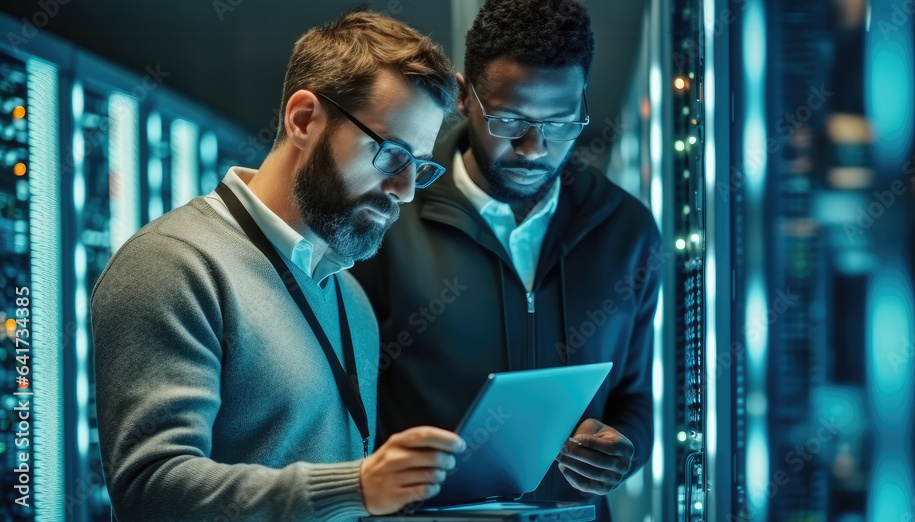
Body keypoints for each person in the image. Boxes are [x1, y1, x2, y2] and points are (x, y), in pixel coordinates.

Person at [91, 10, 466, 521]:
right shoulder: (173, 263)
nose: (403, 191)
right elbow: (152, 489)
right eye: (391, 154)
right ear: (304, 119)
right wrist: (353, 487)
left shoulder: (349, 297)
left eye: (418, 167)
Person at [351, 0, 660, 519]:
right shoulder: (388, 216)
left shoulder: (626, 231)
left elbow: (635, 397)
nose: (534, 148)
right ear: (464, 96)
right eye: (509, 120)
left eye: (561, 123)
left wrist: (623, 451)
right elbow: (344, 403)